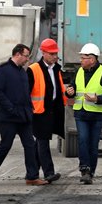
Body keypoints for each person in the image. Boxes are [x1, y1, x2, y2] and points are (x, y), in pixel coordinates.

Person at [0, 44, 48, 186]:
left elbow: (26, 93)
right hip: (10, 117)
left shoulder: (22, 72)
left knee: (30, 145)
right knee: (5, 145)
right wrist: (10, 108)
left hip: (24, 116)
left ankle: (32, 176)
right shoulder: (3, 71)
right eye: (26, 56)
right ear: (18, 54)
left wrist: (29, 109)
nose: (27, 60)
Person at [27, 38, 74, 184]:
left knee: (39, 143)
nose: (55, 56)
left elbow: (58, 90)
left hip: (52, 111)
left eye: (56, 54)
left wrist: (67, 94)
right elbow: (26, 92)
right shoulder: (33, 69)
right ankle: (49, 173)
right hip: (39, 111)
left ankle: (31, 174)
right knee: (43, 142)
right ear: (43, 53)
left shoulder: (56, 69)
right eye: (52, 54)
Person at [72, 42, 102, 185]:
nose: (80, 60)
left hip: (96, 115)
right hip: (81, 114)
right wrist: (69, 91)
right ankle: (84, 169)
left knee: (93, 144)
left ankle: (91, 172)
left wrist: (97, 99)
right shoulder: (78, 71)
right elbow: (73, 86)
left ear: (92, 59)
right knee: (83, 140)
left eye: (83, 57)